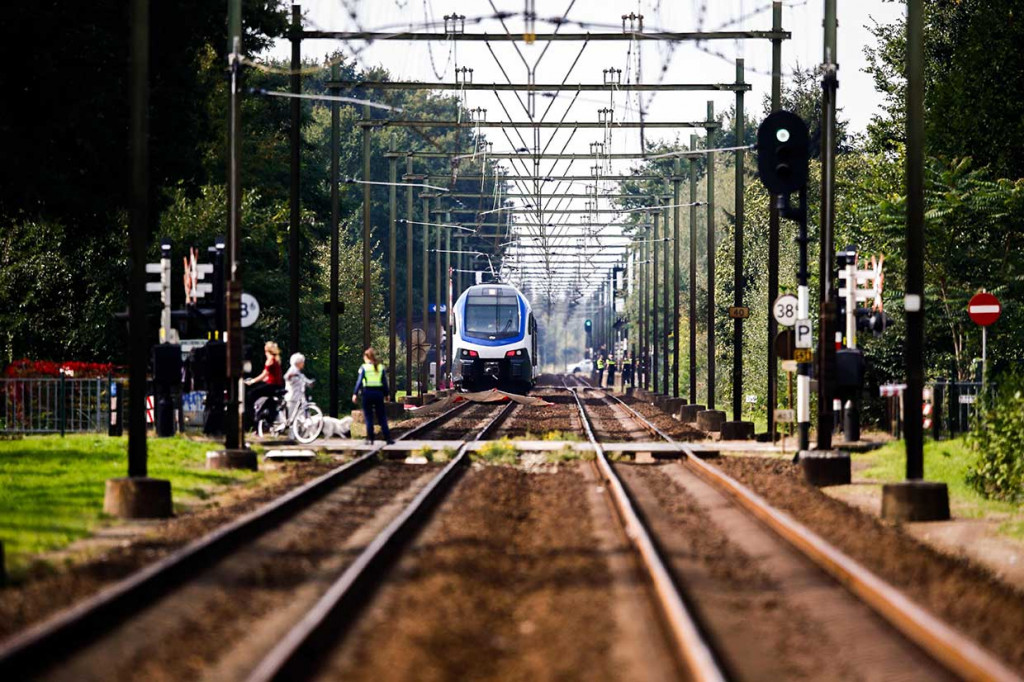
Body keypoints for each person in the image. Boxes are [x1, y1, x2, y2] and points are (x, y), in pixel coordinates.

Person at [352, 348, 393, 445]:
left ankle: (370, 439)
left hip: (367, 393)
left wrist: (355, 393)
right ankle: (387, 438)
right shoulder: (380, 367)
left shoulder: (364, 367)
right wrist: (387, 394)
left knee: (369, 416)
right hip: (378, 394)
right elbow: (384, 382)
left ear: (366, 357)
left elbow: (359, 382)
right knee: (382, 416)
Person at [245, 341, 284, 427]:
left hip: (272, 386)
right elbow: (270, 375)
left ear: (267, 351)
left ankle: (252, 418)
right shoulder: (276, 359)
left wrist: (252, 381)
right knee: (269, 401)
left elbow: (264, 374)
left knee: (251, 395)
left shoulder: (270, 360)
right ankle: (268, 417)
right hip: (277, 385)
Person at [284, 352, 314, 421]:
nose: (303, 363)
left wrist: (310, 383)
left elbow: (305, 381)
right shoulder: (293, 369)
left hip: (300, 399)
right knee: (292, 418)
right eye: (302, 362)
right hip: (293, 398)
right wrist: (291, 376)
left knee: (304, 416)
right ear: (298, 362)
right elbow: (286, 377)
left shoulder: (299, 373)